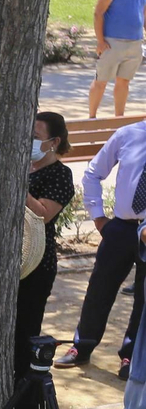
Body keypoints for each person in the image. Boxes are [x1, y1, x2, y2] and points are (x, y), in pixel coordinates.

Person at [58, 114, 146, 373]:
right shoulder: (128, 134)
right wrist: (97, 216)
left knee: (144, 298)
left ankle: (132, 357)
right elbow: (93, 172)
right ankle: (82, 346)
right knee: (100, 289)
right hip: (120, 228)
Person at [20, 112, 76, 384]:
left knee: (24, 331)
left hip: (36, 264)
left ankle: (22, 391)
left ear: (54, 142)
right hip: (8, 259)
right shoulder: (22, 164)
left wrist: (19, 186)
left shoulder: (61, 175)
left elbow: (43, 214)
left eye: (35, 137)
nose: (29, 142)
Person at [90, 0, 146, 119]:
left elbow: (144, 14)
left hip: (135, 43)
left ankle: (119, 119)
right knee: (101, 81)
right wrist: (100, 41)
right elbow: (98, 14)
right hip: (112, 43)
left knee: (123, 82)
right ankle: (91, 119)